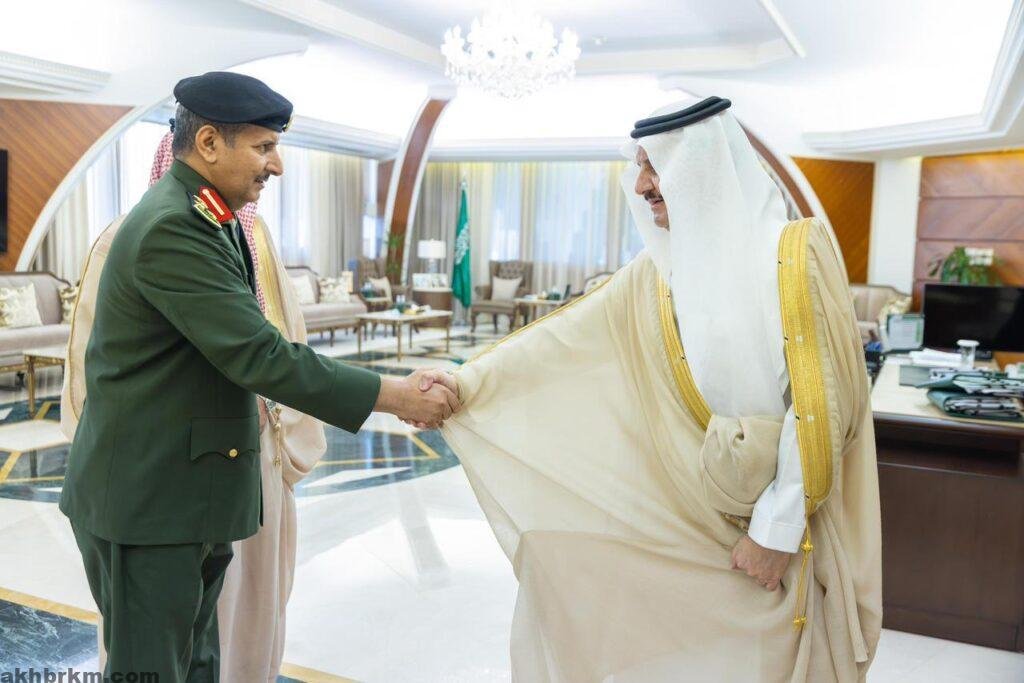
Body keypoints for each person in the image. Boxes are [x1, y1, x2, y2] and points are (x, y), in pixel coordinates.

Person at [438, 97, 882, 681]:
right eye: (640, 166)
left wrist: (775, 532)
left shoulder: (793, 255)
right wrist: (463, 384)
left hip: (770, 530)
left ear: (701, 165)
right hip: (683, 506)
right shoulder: (657, 271)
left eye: (657, 165)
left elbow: (820, 405)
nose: (642, 184)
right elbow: (562, 339)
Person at [59, 71, 459, 683]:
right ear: (209, 143)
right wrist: (397, 395)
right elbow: (261, 356)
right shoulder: (173, 227)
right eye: (264, 146)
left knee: (198, 660)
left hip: (187, 495)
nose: (278, 165)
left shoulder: (209, 216)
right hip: (148, 502)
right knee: (152, 668)